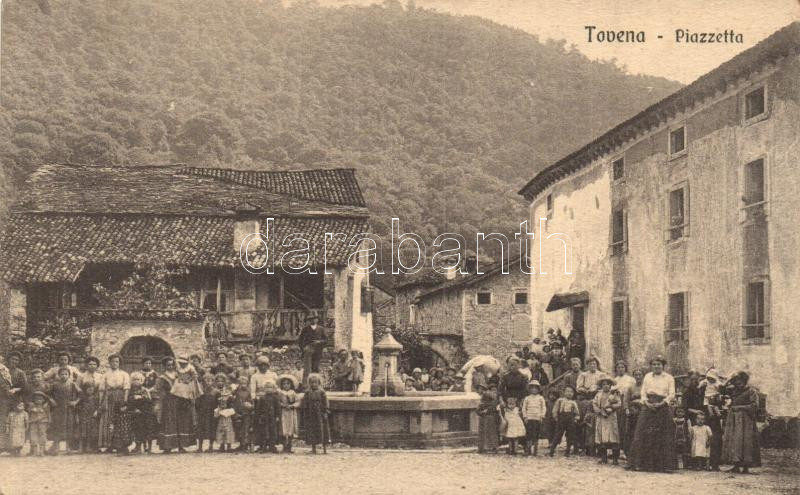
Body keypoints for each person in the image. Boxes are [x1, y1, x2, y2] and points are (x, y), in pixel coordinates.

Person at [628, 356, 677, 472]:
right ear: (651, 366)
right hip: (648, 405)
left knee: (664, 434)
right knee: (641, 432)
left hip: (663, 406)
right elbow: (643, 392)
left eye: (659, 364)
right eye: (654, 364)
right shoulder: (647, 376)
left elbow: (672, 394)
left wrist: (662, 403)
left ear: (663, 366)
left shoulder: (669, 378)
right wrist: (646, 403)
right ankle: (640, 464)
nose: (656, 366)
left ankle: (665, 466)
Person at [721, 371, 761, 474]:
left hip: (746, 420)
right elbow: (721, 389)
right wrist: (729, 380)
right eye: (735, 381)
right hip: (734, 420)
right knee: (735, 442)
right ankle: (736, 465)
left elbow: (755, 406)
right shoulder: (733, 390)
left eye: (739, 381)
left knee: (746, 442)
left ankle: (746, 467)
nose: (737, 383)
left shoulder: (751, 391)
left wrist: (740, 408)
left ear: (744, 380)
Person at [157, 357, 194, 453]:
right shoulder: (162, 377)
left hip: (180, 400)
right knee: (169, 422)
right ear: (164, 366)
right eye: (168, 365)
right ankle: (167, 446)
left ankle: (181, 446)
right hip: (169, 401)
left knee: (180, 422)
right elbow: (160, 390)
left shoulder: (178, 375)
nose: (170, 366)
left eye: (172, 364)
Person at [99, 354, 130, 453]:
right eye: (112, 361)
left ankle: (121, 445)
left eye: (117, 361)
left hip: (120, 398)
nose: (115, 363)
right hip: (109, 398)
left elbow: (126, 388)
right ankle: (110, 444)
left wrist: (125, 402)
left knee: (120, 420)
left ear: (119, 363)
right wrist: (102, 402)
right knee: (108, 420)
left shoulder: (124, 374)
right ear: (109, 363)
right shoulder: (105, 375)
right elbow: (102, 389)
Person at [49, 367, 80, 455]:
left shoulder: (72, 384)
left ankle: (68, 447)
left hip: (69, 409)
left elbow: (81, 394)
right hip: (58, 409)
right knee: (57, 427)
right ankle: (56, 447)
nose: (64, 376)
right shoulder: (55, 385)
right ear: (58, 375)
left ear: (69, 375)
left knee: (69, 427)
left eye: (66, 374)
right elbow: (48, 395)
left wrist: (75, 402)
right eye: (62, 374)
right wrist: (51, 400)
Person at [593, 376, 622, 464]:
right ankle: (603, 458)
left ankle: (615, 459)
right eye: (604, 384)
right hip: (601, 417)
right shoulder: (598, 395)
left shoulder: (614, 394)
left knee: (613, 437)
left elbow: (619, 403)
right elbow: (594, 404)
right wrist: (600, 411)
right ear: (601, 386)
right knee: (602, 437)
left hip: (611, 417)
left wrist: (611, 407)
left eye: (608, 384)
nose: (606, 386)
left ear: (610, 385)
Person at [128, 372, 158, 454]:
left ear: (142, 381)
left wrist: (141, 397)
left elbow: (149, 401)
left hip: (146, 413)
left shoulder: (145, 390)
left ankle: (149, 448)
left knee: (148, 429)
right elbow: (129, 402)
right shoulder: (131, 391)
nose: (136, 381)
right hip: (136, 413)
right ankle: (138, 447)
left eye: (138, 379)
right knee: (137, 429)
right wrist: (134, 408)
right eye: (134, 379)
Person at [300, 373, 329, 454]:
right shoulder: (307, 392)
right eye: (312, 382)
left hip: (320, 414)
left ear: (319, 383)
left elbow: (325, 402)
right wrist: (305, 412)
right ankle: (313, 448)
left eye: (315, 382)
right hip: (310, 414)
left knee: (322, 430)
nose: (314, 384)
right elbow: (305, 403)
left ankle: (324, 448)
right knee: (311, 430)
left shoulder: (322, 392)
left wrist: (325, 411)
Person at [612, 361, 635, 457]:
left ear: (625, 368)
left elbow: (632, 392)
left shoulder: (631, 379)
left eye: (622, 367)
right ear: (616, 369)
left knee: (626, 426)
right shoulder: (614, 380)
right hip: (617, 403)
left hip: (627, 403)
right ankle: (617, 450)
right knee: (617, 426)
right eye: (618, 367)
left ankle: (627, 450)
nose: (620, 369)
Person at [549, 385, 580, 457]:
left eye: (571, 392)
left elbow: (577, 413)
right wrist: (556, 418)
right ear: (564, 392)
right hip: (561, 419)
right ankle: (552, 450)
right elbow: (555, 410)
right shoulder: (560, 400)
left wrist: (576, 419)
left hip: (570, 420)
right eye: (567, 391)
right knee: (558, 435)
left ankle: (567, 451)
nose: (569, 393)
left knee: (570, 436)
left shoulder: (573, 403)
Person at [298, 315, 327, 386]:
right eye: (311, 319)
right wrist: (303, 348)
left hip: (318, 350)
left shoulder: (321, 329)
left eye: (314, 319)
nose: (313, 320)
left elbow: (326, 340)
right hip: (308, 350)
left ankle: (317, 385)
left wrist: (319, 342)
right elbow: (300, 340)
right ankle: (305, 385)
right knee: (307, 368)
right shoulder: (305, 329)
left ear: (317, 320)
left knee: (315, 367)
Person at [622, 369, 644, 458]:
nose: (638, 377)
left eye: (640, 374)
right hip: (633, 411)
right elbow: (626, 400)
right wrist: (626, 409)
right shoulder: (630, 387)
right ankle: (630, 454)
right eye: (636, 375)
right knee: (631, 432)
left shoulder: (646, 386)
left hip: (643, 411)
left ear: (643, 376)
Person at [521, 380, 547, 456]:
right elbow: (524, 408)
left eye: (536, 388)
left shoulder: (541, 398)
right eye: (532, 388)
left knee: (536, 434)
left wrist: (542, 416)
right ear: (529, 389)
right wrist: (525, 417)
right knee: (529, 434)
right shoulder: (527, 398)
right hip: (529, 418)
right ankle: (528, 450)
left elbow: (543, 407)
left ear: (538, 389)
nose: (534, 389)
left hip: (537, 418)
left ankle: (535, 450)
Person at [256, 381, 281, 453]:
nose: (268, 389)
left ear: (273, 389)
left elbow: (278, 408)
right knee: (264, 431)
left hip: (272, 417)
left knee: (272, 432)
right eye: (267, 387)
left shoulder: (275, 398)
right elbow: (258, 408)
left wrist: (277, 416)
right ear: (264, 389)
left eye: (270, 387)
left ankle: (272, 446)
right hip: (264, 417)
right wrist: (259, 416)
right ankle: (263, 446)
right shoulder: (262, 398)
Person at [196, 374, 218, 453]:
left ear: (213, 382)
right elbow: (197, 402)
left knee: (212, 429)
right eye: (206, 380)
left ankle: (210, 446)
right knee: (201, 429)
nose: (208, 382)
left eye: (210, 380)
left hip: (211, 413)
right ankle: (200, 447)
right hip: (202, 413)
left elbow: (217, 403)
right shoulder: (201, 391)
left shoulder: (216, 392)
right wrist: (199, 411)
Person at [232, 375, 254, 452]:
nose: (243, 385)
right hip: (238, 411)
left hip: (246, 412)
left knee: (245, 429)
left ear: (247, 384)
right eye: (241, 383)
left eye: (244, 383)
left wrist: (249, 406)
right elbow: (233, 399)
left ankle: (246, 445)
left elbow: (251, 402)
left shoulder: (248, 392)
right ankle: (241, 444)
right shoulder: (237, 391)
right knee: (239, 429)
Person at [476, 382, 500, 454]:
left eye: (480, 389)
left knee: (490, 432)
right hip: (483, 416)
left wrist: (487, 410)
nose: (478, 390)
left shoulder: (487, 394)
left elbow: (495, 402)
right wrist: (480, 412)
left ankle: (492, 447)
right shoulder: (482, 396)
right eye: (478, 389)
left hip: (489, 415)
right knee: (483, 432)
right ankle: (483, 448)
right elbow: (479, 406)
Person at [76, 381, 100, 453]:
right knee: (82, 432)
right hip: (83, 417)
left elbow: (98, 407)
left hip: (91, 417)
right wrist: (77, 416)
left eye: (92, 389)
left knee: (90, 432)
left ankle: (88, 447)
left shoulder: (95, 398)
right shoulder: (82, 398)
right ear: (85, 389)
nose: (90, 390)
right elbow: (78, 408)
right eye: (88, 389)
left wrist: (96, 411)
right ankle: (80, 447)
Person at [278, 375, 299, 453]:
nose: (286, 385)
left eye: (288, 384)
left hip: (291, 412)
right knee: (283, 428)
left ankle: (289, 446)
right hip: (283, 412)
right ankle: (284, 446)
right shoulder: (280, 393)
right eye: (284, 384)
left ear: (291, 384)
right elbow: (278, 401)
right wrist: (282, 405)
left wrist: (292, 406)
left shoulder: (293, 393)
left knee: (291, 428)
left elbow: (298, 402)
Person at [28, 391, 52, 457]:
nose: (38, 401)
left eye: (40, 399)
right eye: (36, 399)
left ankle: (42, 451)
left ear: (43, 400)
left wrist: (49, 422)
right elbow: (29, 413)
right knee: (33, 435)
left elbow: (48, 414)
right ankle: (35, 451)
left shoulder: (46, 406)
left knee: (43, 435)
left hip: (43, 422)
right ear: (34, 399)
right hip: (33, 422)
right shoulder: (31, 406)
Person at [0, 355, 16, 454]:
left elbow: (7, 384)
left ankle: (4, 445)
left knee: (4, 421)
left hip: (4, 399)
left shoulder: (4, 370)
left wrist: (8, 390)